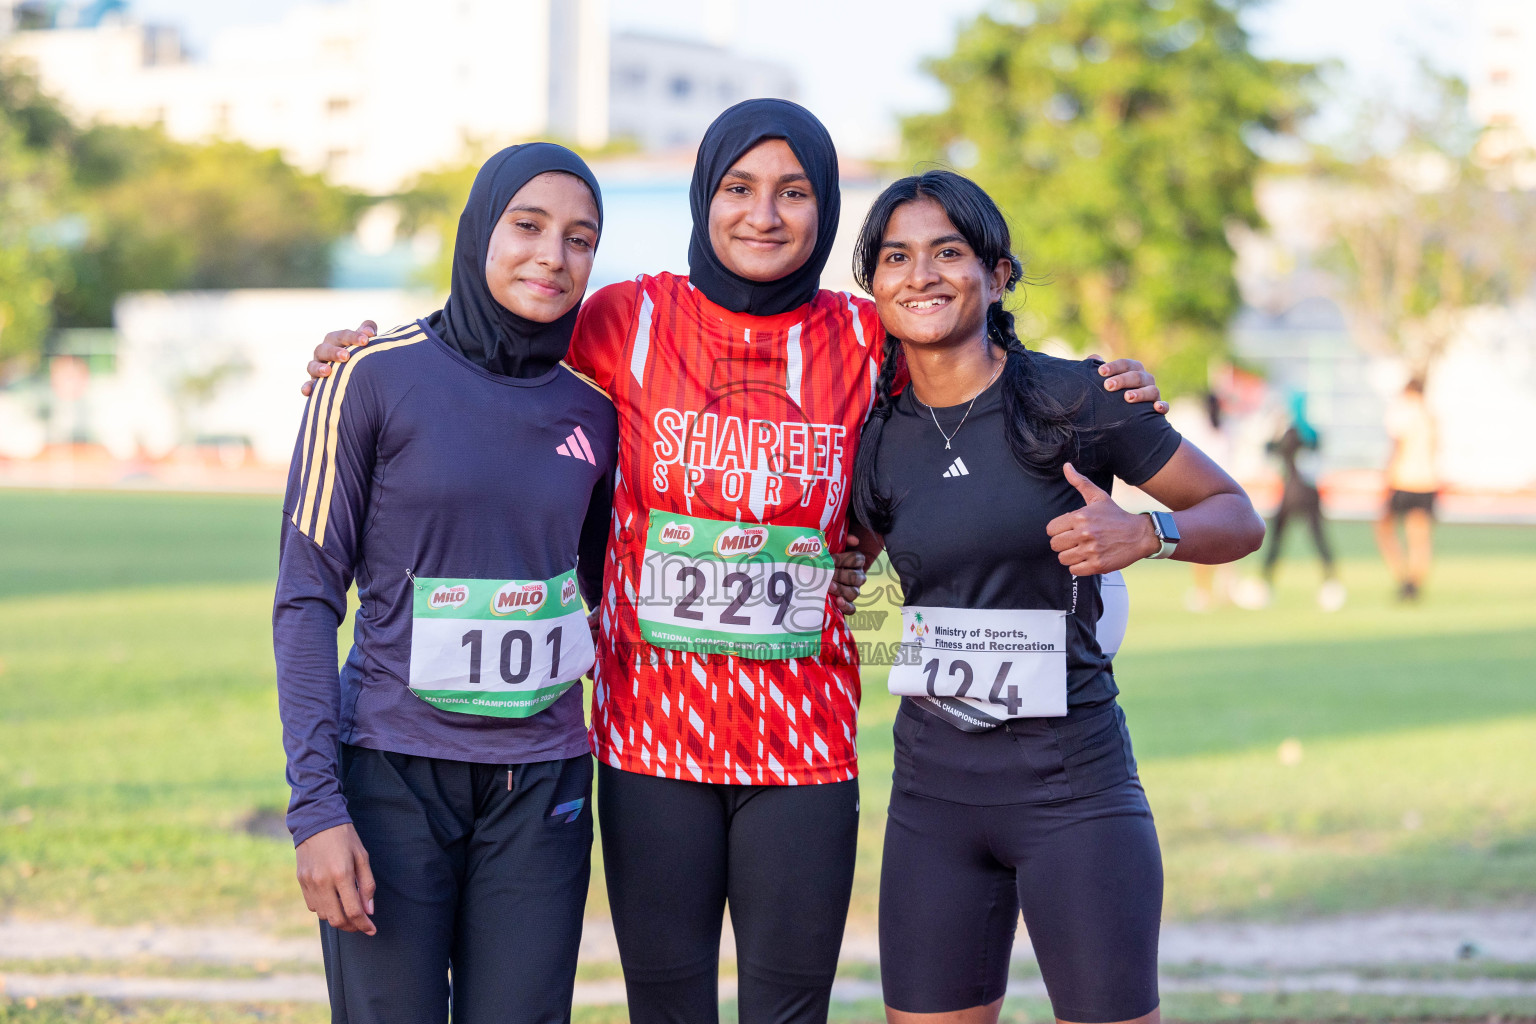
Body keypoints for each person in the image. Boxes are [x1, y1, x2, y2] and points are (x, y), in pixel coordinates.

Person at [301, 100, 1168, 1024]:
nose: (765, 214)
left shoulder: (869, 337)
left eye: (794, 193)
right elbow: (496, 341)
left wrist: (1105, 390)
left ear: (826, 210)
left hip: (806, 751)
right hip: (649, 743)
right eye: (740, 188)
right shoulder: (619, 319)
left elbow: (976, 365)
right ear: (703, 199)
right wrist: (362, 350)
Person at [846, 170, 1264, 1024]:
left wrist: (1149, 534)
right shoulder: (876, 435)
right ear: (874, 284)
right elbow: (847, 556)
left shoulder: (1077, 399)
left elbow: (1237, 515)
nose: (920, 274)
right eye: (896, 256)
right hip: (931, 798)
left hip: (1072, 788)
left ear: (998, 274)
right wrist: (843, 572)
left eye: (948, 252)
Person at [272, 143, 615, 1024]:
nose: (553, 255)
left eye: (581, 239)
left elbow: (609, 579)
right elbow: (306, 598)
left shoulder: (597, 410)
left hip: (543, 787)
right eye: (529, 226)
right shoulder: (368, 377)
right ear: (478, 230)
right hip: (390, 779)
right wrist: (316, 809)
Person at [1247, 392, 1345, 612]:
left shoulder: (1289, 434)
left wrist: (1274, 428)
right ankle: (1331, 582)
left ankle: (1265, 583)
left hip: (1291, 493)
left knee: (1276, 540)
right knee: (1319, 539)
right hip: (1311, 493)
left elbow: (1269, 450)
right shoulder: (1312, 434)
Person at [1374, 377, 1438, 600]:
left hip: (1403, 479)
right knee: (1419, 536)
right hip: (1427, 481)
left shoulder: (1403, 410)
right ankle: (1415, 582)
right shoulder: (1430, 414)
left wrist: (1387, 474)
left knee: (1384, 529)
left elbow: (1397, 444)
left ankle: (1403, 577)